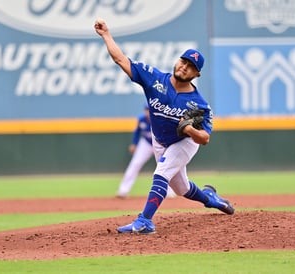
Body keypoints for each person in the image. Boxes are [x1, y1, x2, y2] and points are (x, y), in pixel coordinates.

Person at [95, 18, 234, 234]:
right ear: (178, 61)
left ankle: (144, 221)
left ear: (196, 74)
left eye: (191, 67)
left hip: (184, 142)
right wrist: (106, 35)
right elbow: (121, 60)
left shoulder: (200, 105)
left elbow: (204, 138)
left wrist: (189, 130)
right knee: (182, 188)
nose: (185, 67)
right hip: (159, 140)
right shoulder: (154, 78)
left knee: (161, 174)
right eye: (184, 62)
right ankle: (211, 198)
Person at [117, 104, 176, 198]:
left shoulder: (159, 119)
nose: (147, 112)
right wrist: (134, 143)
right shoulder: (142, 119)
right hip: (146, 143)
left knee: (165, 167)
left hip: (160, 144)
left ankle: (169, 191)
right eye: (146, 110)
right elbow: (137, 132)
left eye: (149, 110)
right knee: (135, 164)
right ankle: (123, 191)